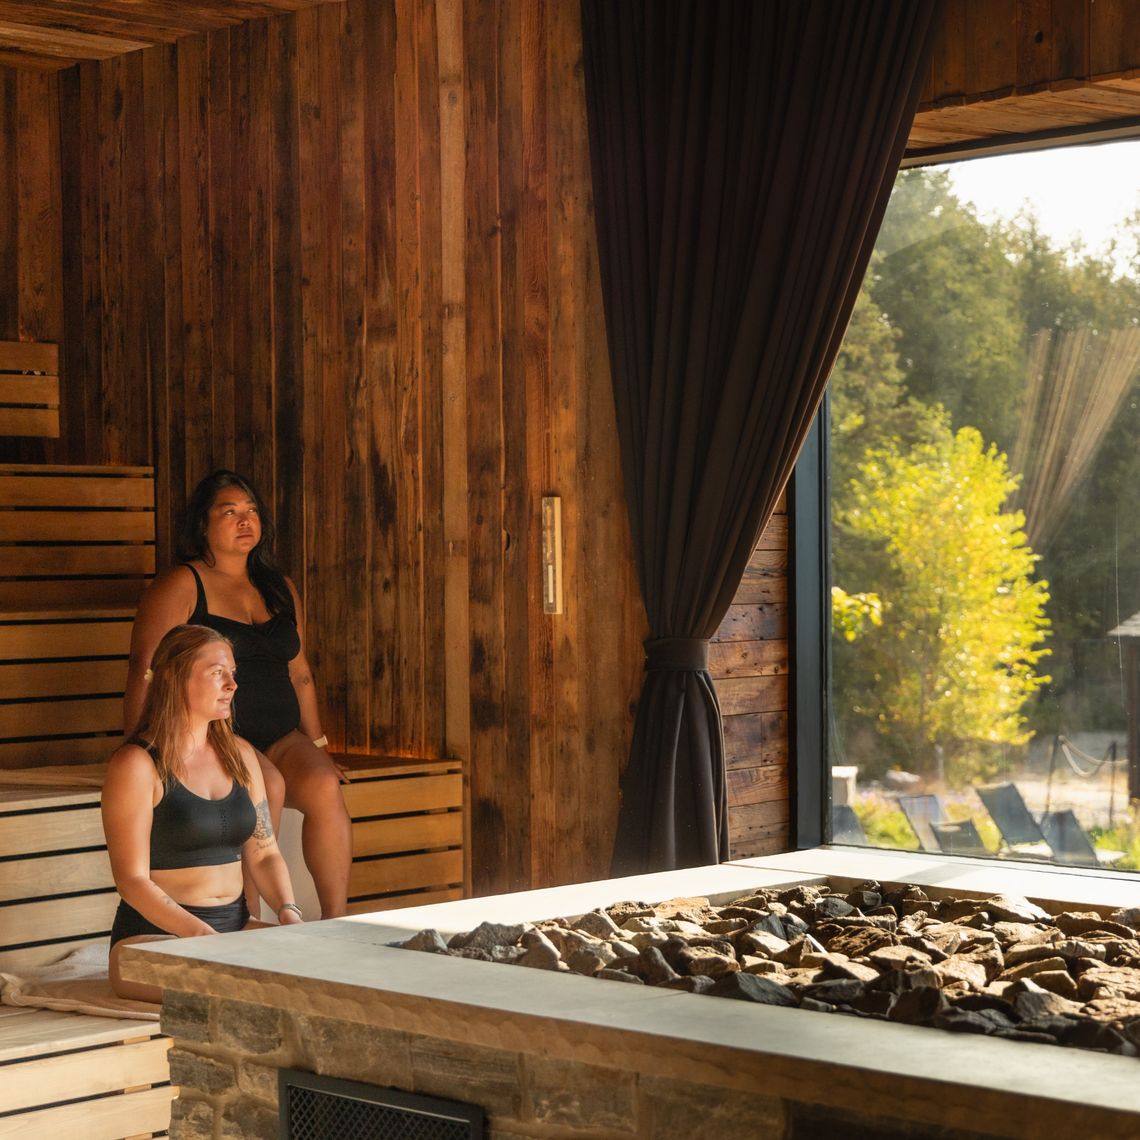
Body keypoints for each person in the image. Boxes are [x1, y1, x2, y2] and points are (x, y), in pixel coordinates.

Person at [123, 469, 351, 918]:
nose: (245, 520)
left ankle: (337, 920)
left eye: (251, 511)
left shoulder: (278, 586)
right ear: (202, 524)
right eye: (230, 512)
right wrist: (136, 747)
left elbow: (300, 672)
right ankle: (247, 916)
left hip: (282, 734)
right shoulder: (183, 583)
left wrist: (320, 745)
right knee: (267, 785)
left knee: (324, 783)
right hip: (218, 734)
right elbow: (145, 669)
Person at [103, 624, 303, 1002]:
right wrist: (203, 939)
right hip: (152, 939)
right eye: (217, 674)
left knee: (320, 972)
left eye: (233, 674)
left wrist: (289, 913)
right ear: (177, 679)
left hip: (232, 930)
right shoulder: (137, 764)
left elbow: (265, 852)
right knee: (235, 987)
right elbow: (132, 880)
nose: (232, 685)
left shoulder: (240, 754)